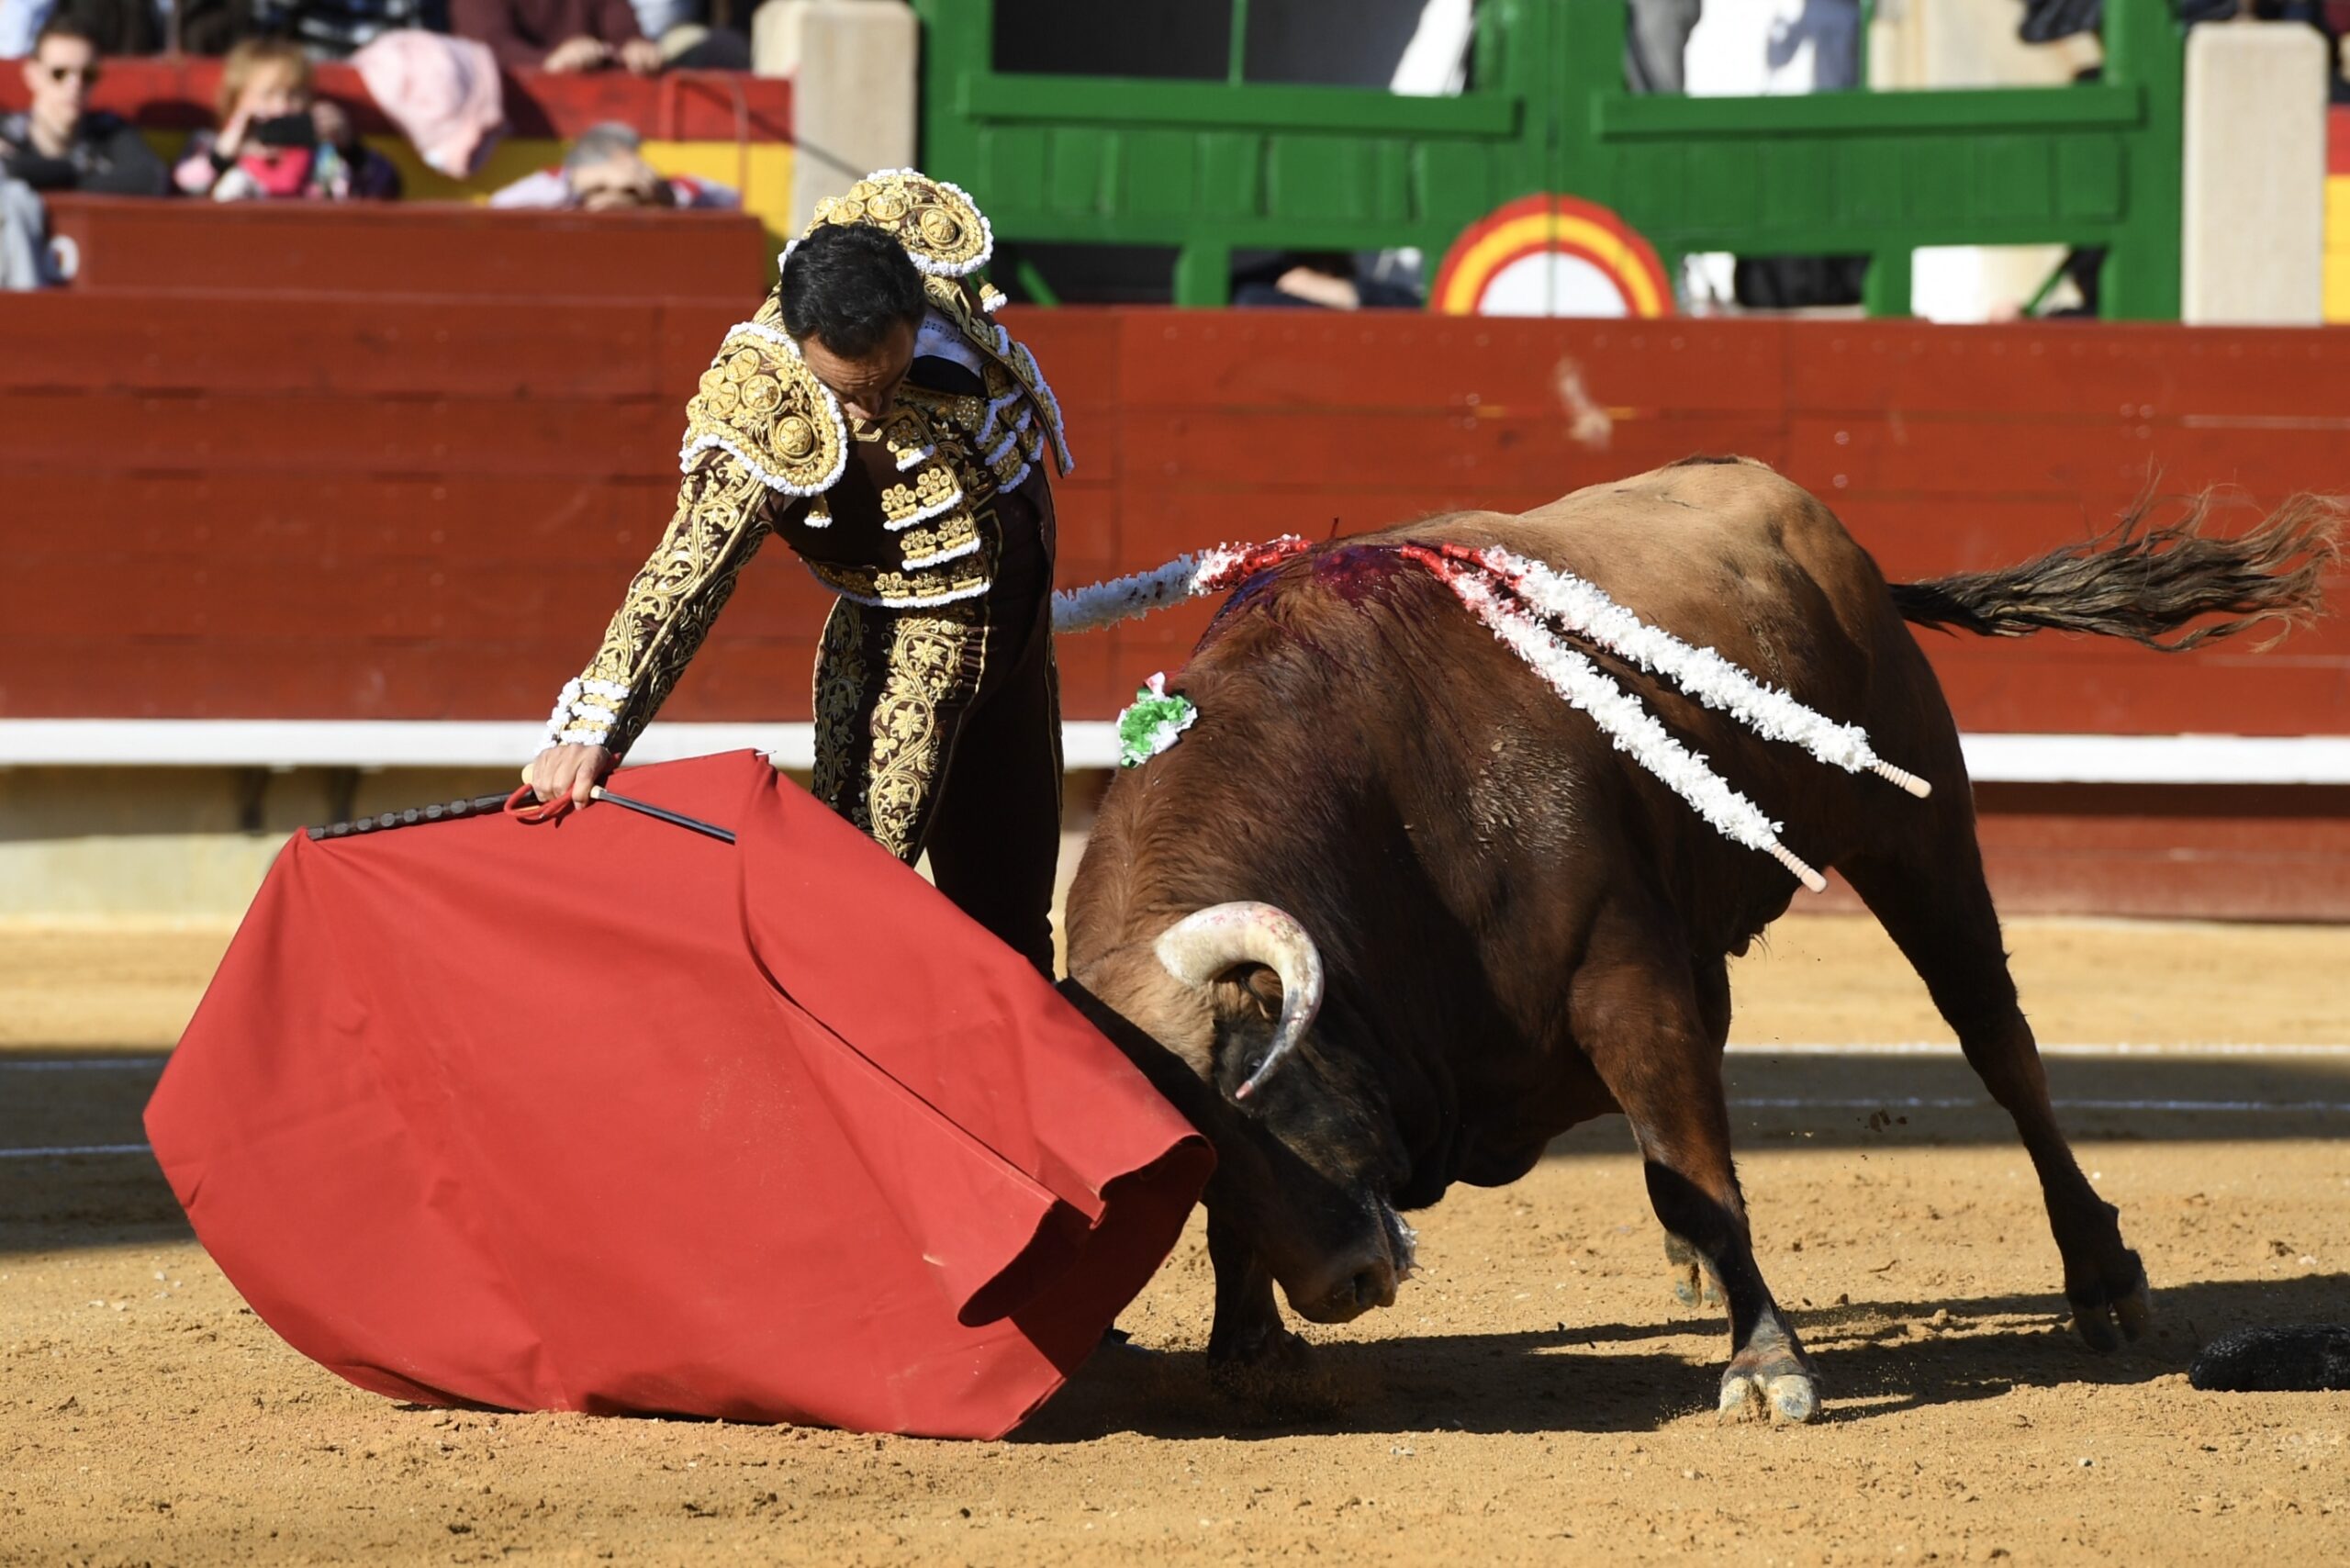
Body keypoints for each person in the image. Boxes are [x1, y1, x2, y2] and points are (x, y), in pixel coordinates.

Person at [528, 171, 1074, 976]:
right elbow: (685, 573)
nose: (872, 411)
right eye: (850, 392)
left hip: (1020, 646)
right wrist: (592, 730)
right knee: (845, 906)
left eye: (888, 380)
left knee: (1016, 915)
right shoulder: (767, 404)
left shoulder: (911, 269)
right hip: (904, 667)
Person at [1, 17, 166, 289]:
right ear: (32, 75)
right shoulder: (8, 129)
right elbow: (11, 169)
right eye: (59, 73)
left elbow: (150, 177)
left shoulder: (108, 131)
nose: (74, 84)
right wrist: (84, 169)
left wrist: (53, 173)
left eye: (87, 75)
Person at [173, 37, 401, 201]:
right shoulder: (211, 146)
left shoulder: (326, 157)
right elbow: (178, 193)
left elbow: (386, 190)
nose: (282, 107)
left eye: (294, 95)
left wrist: (352, 151)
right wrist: (221, 158)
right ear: (235, 101)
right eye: (267, 95)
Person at [488, 120, 737, 210]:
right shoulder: (562, 184)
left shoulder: (663, 189)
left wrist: (662, 192)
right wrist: (587, 182)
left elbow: (732, 199)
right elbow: (498, 206)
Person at [451, 0, 663, 74]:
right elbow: (488, 47)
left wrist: (637, 49)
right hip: (515, 123)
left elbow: (624, 32)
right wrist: (550, 61)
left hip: (600, 109)